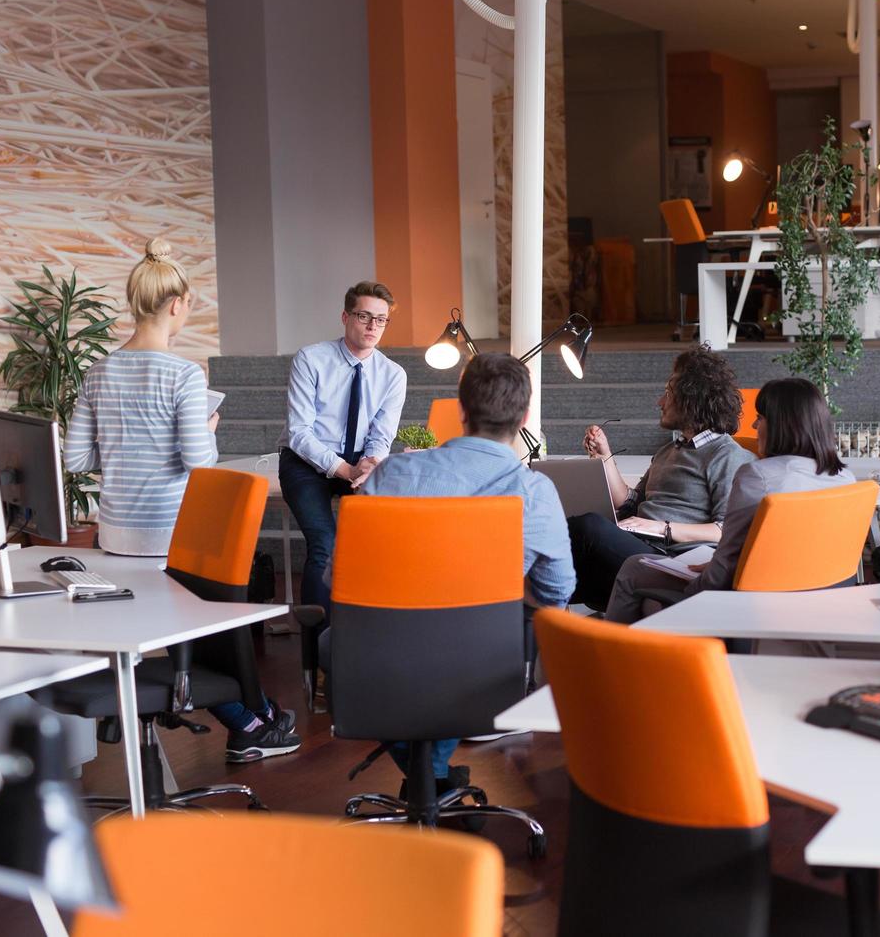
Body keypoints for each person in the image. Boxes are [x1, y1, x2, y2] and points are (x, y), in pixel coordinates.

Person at [64, 238, 299, 762]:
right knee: (218, 621)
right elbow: (199, 462)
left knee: (191, 629)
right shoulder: (185, 374)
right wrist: (208, 427)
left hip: (116, 535)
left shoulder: (97, 372)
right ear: (177, 305)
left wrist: (125, 440)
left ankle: (252, 716)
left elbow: (76, 460)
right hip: (171, 536)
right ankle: (250, 717)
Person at [321, 353, 574, 791]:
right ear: (525, 416)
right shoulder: (532, 491)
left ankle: (428, 777)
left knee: (330, 641)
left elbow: (333, 578)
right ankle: (434, 777)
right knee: (510, 624)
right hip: (481, 668)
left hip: (371, 661)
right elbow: (557, 592)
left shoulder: (390, 475)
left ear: (460, 410)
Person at [603, 377, 856, 624]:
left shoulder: (757, 476)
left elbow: (721, 575)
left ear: (783, 425)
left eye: (760, 418)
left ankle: (608, 658)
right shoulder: (845, 480)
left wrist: (686, 597)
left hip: (745, 602)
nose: (755, 427)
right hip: (820, 597)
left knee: (634, 567)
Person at [569, 346, 754, 611]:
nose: (660, 402)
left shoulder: (727, 456)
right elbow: (630, 503)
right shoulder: (670, 450)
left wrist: (661, 527)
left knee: (587, 528)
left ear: (691, 399)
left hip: (671, 554)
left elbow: (726, 530)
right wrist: (604, 456)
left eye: (668, 394)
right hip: (638, 543)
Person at [277, 281, 407, 612]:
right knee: (325, 543)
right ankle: (315, 647)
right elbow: (299, 433)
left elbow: (382, 433)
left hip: (359, 462)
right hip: (306, 461)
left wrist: (371, 463)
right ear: (345, 316)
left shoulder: (392, 374)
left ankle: (364, 628)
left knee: (378, 542)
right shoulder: (311, 359)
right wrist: (345, 469)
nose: (373, 326)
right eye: (364, 316)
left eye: (381, 319)